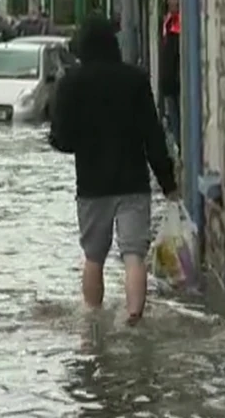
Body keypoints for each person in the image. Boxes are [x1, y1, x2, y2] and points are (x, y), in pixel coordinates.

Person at [48, 16, 178, 325]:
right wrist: (168, 183)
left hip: (92, 185)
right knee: (134, 254)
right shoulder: (135, 79)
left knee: (94, 257)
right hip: (133, 181)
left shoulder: (71, 82)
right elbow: (153, 135)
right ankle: (134, 316)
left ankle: (93, 318)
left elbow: (62, 139)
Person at [160, 0, 181, 149]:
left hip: (176, 81)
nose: (173, 2)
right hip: (168, 81)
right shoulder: (167, 22)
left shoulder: (178, 24)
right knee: (174, 119)